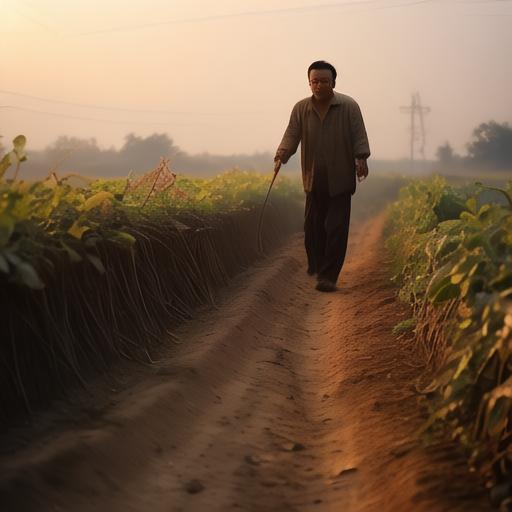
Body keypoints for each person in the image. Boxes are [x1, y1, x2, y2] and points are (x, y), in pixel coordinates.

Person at [274, 60, 370, 292]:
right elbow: (291, 134)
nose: (319, 85)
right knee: (313, 228)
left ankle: (328, 276)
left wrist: (361, 158)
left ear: (333, 82)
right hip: (313, 178)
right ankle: (317, 265)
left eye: (324, 81)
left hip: (340, 179)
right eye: (314, 81)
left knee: (336, 228)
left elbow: (359, 134)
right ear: (309, 83)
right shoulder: (301, 108)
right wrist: (281, 155)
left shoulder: (348, 106)